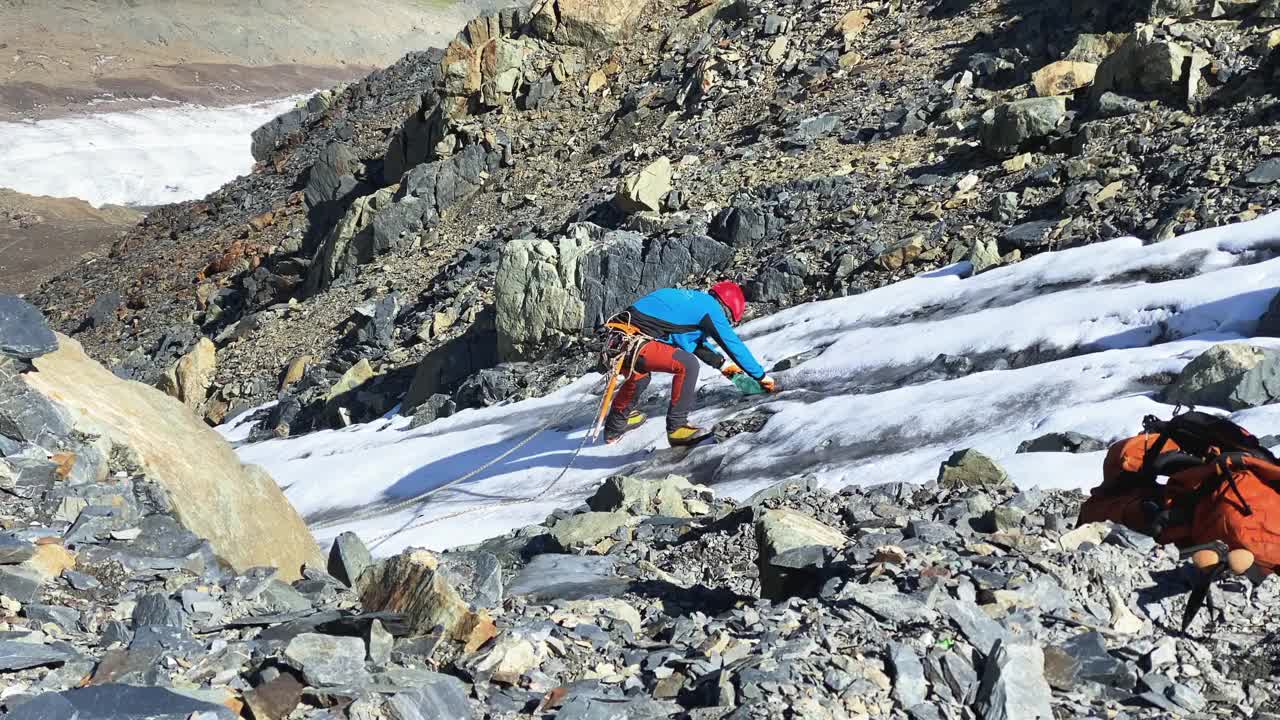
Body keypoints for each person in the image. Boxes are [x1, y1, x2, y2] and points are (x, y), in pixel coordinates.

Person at [602, 281, 777, 447]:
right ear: (728, 309)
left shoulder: (690, 302)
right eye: (729, 320)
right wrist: (762, 377)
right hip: (634, 342)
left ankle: (614, 427)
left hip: (616, 340)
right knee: (687, 365)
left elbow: (692, 343)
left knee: (640, 375)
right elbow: (733, 345)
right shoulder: (711, 309)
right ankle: (677, 428)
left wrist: (729, 370)